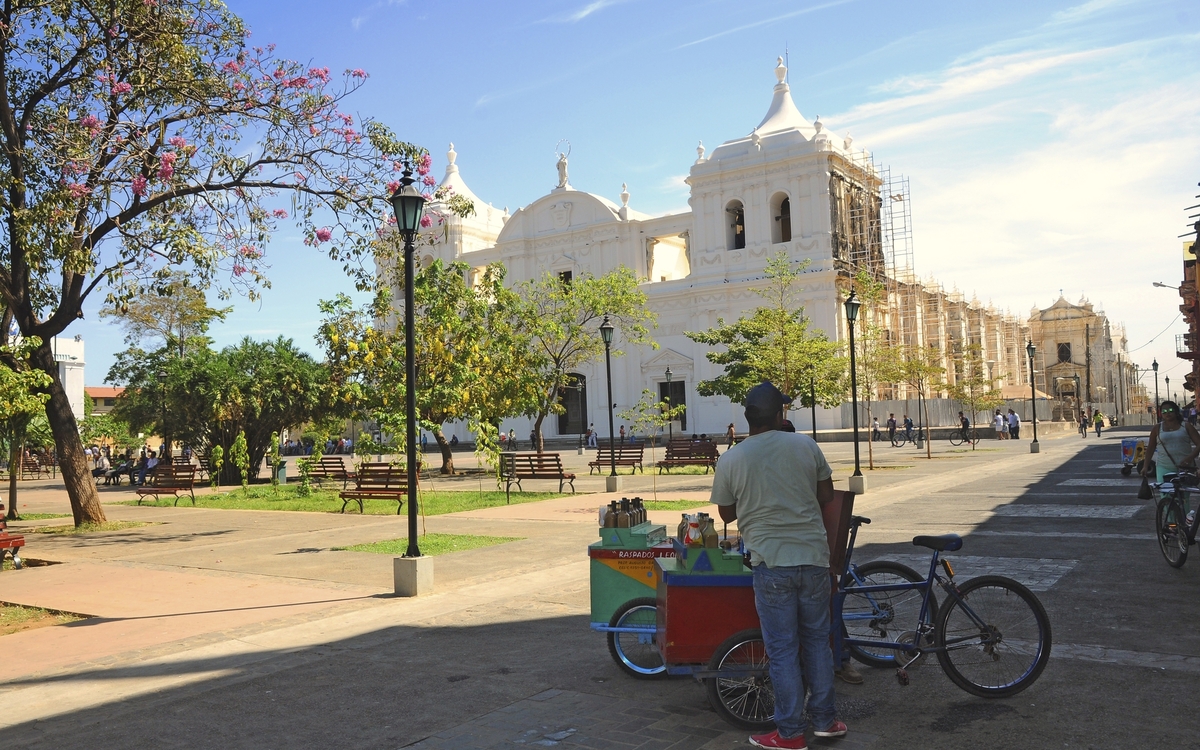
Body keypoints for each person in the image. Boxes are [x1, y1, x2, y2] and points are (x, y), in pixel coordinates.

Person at [710, 382, 847, 748]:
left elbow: (726, 512)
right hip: (813, 559)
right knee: (818, 642)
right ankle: (826, 721)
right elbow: (826, 495)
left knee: (783, 649)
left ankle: (789, 734)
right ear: (779, 414)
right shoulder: (805, 445)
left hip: (771, 563)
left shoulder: (732, 459)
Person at [1143, 401, 1200, 482]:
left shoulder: (1186, 426)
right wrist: (1145, 466)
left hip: (1186, 468)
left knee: (1183, 494)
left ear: (1176, 411)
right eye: (1164, 412)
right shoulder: (1157, 428)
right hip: (1163, 467)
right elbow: (1150, 448)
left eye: (1170, 410)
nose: (1167, 413)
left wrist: (1190, 458)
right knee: (1166, 493)